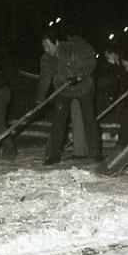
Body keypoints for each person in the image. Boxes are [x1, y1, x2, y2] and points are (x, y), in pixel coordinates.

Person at [35, 27, 101, 165]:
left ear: (57, 42)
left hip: (83, 87)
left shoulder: (75, 48)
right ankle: (54, 155)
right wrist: (40, 99)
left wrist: (80, 76)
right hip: (63, 89)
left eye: (48, 45)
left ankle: (96, 153)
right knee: (58, 121)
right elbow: (44, 79)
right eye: (44, 47)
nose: (47, 49)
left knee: (89, 119)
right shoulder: (47, 58)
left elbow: (92, 60)